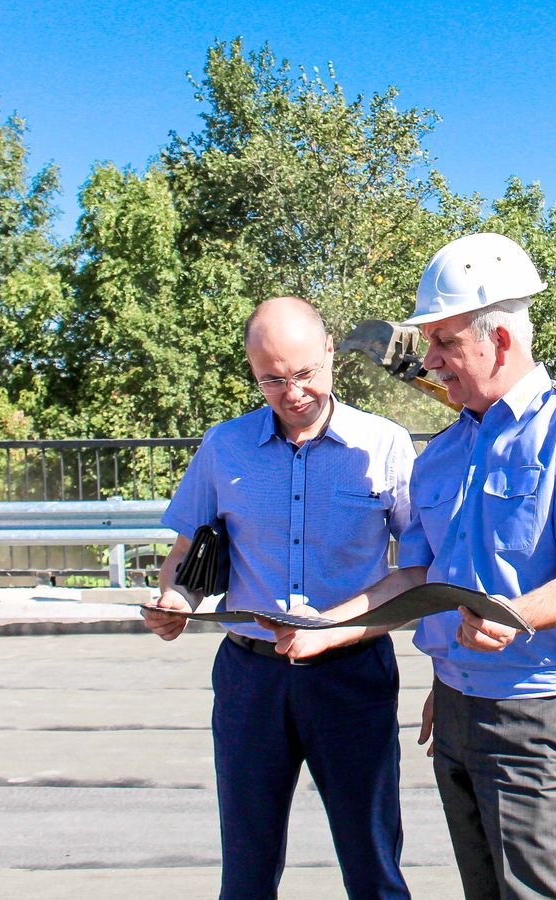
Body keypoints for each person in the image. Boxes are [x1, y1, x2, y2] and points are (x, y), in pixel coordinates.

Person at [270, 233, 556, 899]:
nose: (432, 362)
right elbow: (416, 579)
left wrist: (511, 618)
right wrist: (330, 628)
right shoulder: (444, 453)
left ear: (499, 341)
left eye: (444, 343)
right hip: (456, 707)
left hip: (539, 710)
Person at [141, 296, 415, 899]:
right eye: (271, 379)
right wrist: (174, 601)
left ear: (330, 353)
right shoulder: (224, 447)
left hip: (353, 676)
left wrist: (338, 628)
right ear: (252, 371)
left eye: (304, 374)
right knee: (246, 868)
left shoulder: (386, 446)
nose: (292, 393)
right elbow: (187, 552)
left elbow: (416, 572)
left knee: (373, 866)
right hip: (250, 679)